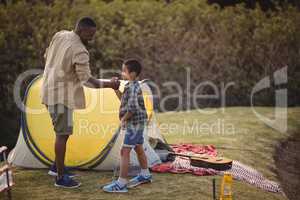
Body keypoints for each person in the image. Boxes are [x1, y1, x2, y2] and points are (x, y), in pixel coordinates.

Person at [41, 16, 120, 188]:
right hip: (61, 97)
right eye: (90, 34)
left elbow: (46, 56)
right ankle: (60, 178)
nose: (92, 38)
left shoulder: (60, 35)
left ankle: (57, 167)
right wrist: (110, 84)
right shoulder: (80, 50)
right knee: (62, 135)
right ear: (82, 30)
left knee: (62, 132)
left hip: (47, 89)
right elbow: (87, 81)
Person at [102, 59, 152, 193]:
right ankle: (145, 174)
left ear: (133, 73)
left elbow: (132, 108)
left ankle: (121, 183)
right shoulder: (130, 86)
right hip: (138, 124)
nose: (122, 73)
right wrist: (115, 89)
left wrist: (123, 119)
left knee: (125, 151)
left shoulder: (135, 87)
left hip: (134, 124)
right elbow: (123, 99)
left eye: (124, 71)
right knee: (138, 147)